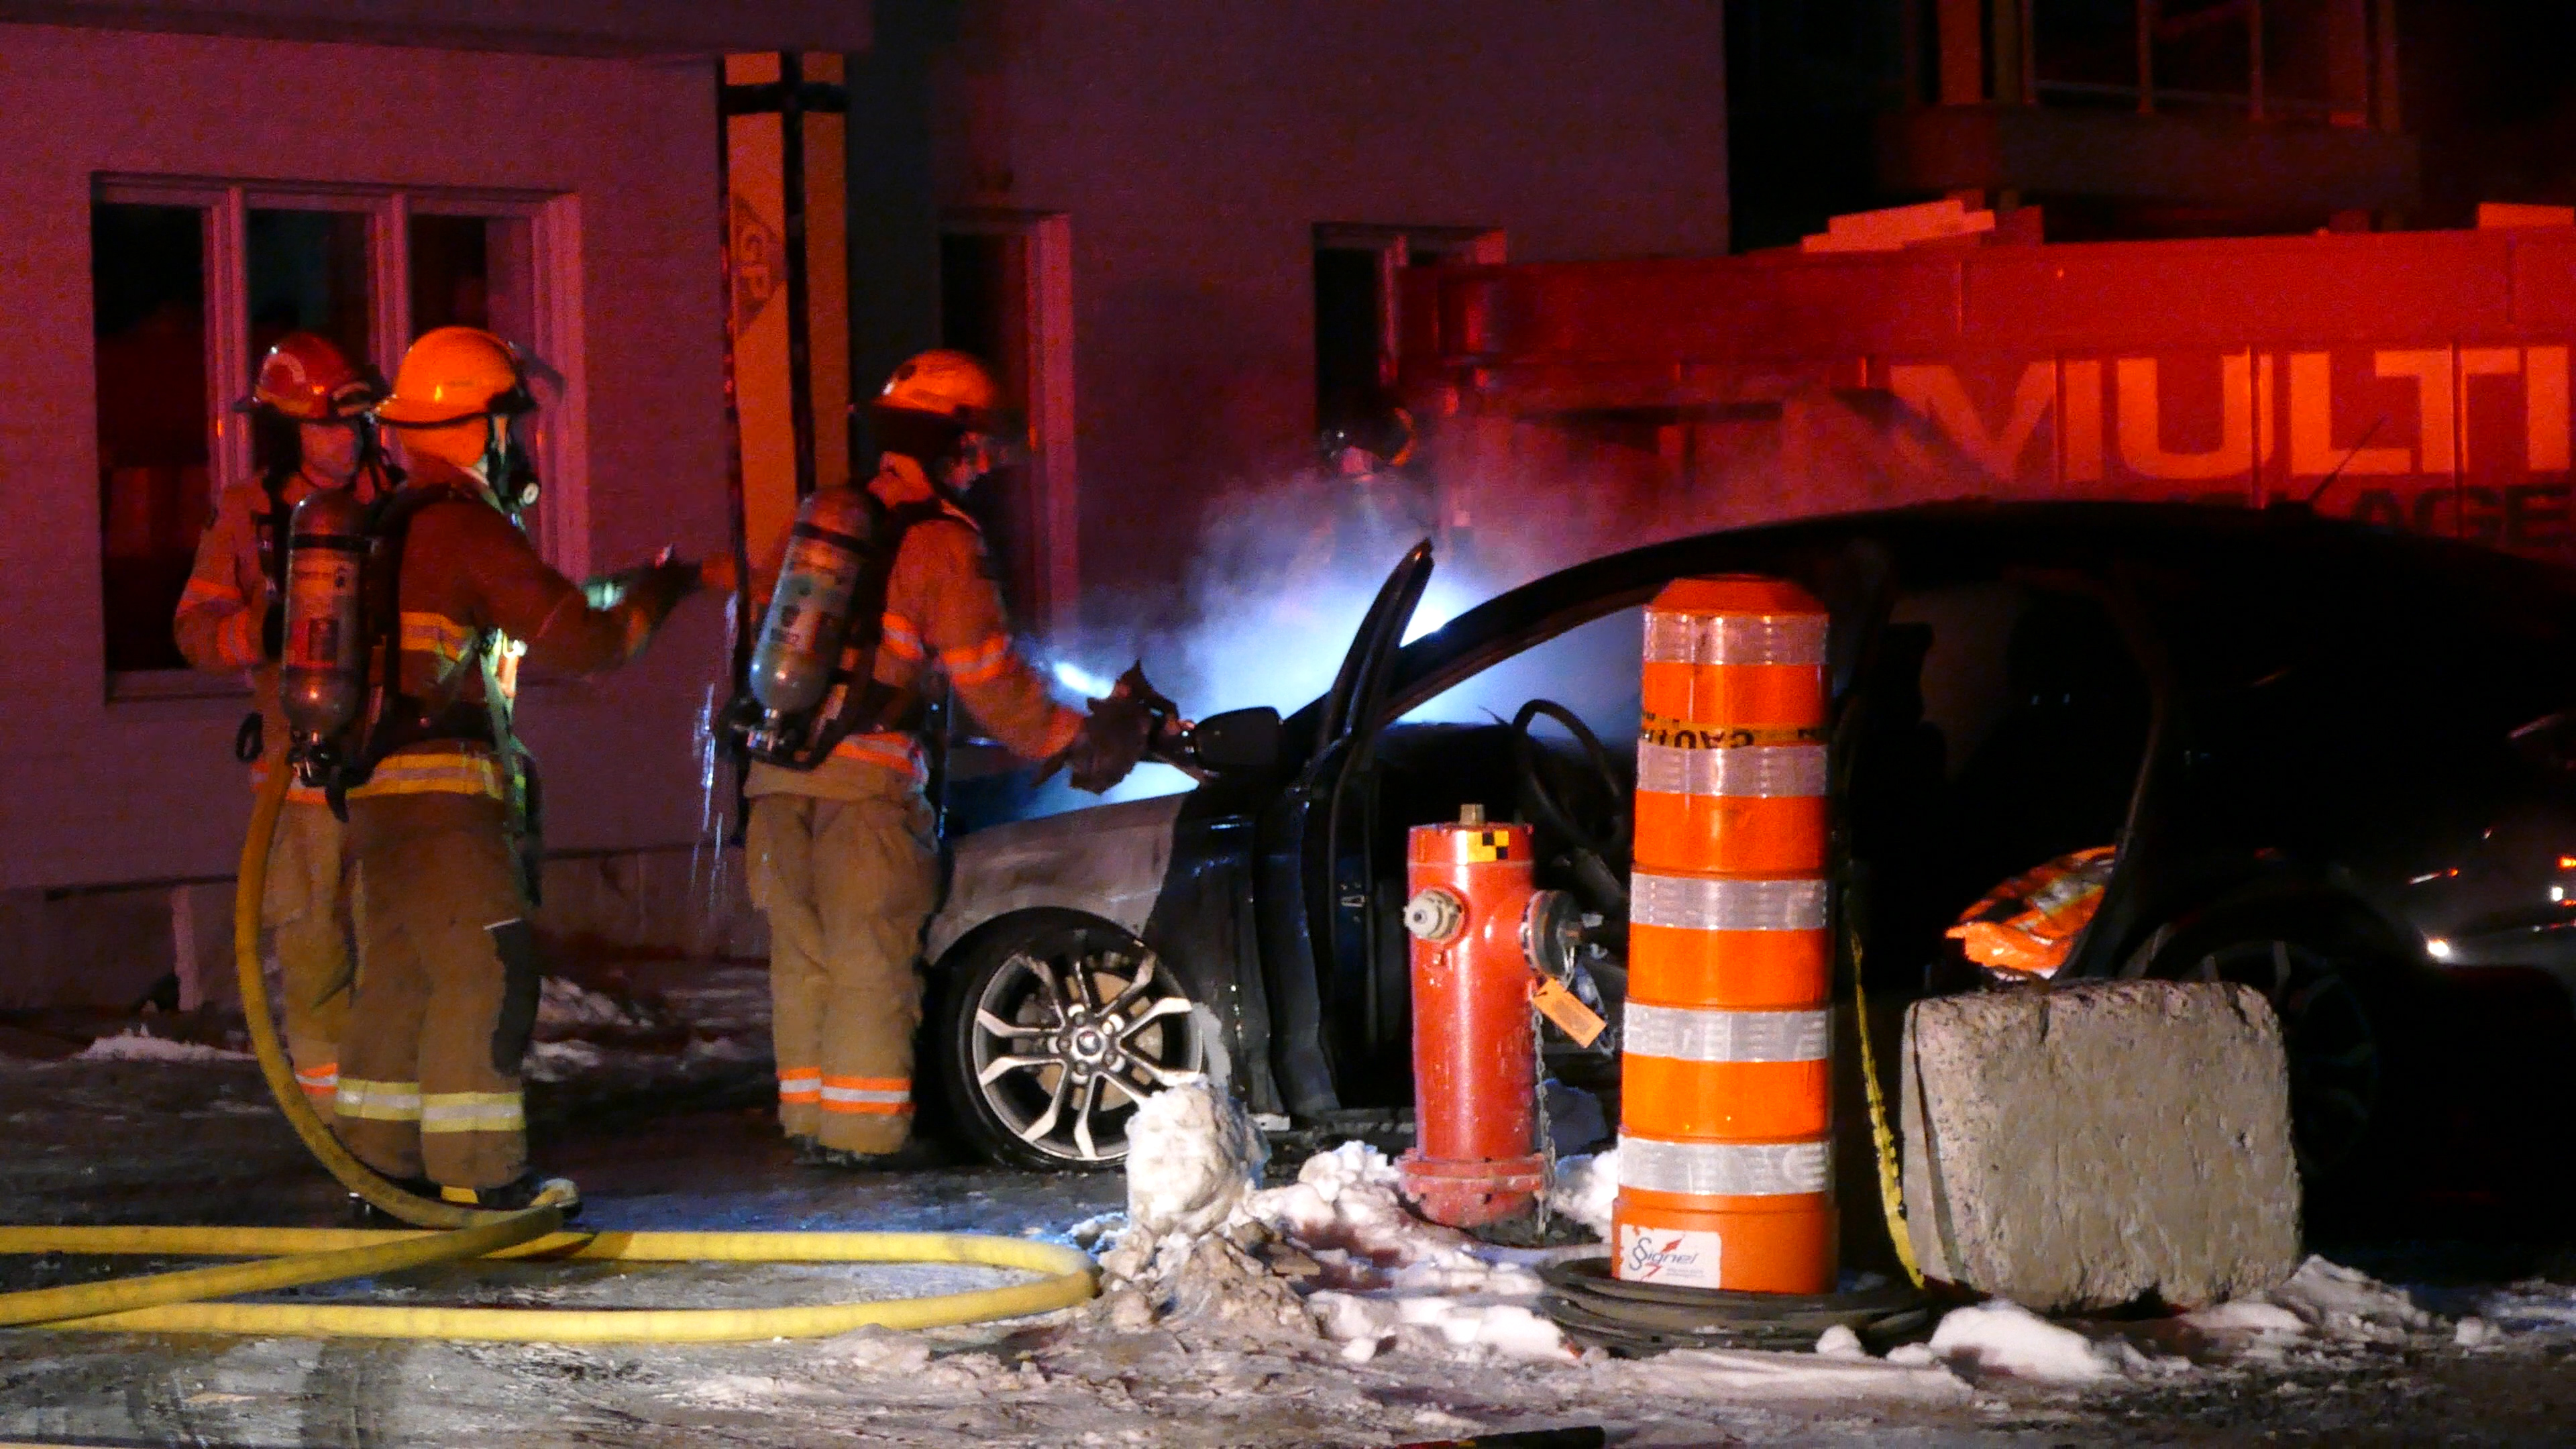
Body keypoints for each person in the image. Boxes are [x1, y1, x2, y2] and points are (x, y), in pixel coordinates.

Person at [338, 325, 723, 1210]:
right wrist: (659, 597)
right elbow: (585, 641)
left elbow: (533, 606)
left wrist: (662, 577)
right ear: (479, 427)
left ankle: (377, 1169)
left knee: (401, 977)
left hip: (379, 795)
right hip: (444, 796)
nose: (526, 443)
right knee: (489, 973)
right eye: (516, 423)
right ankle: (480, 1182)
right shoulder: (465, 529)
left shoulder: (387, 524)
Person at [743, 349, 1147, 1169]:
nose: (984, 466)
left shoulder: (821, 520)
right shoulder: (942, 543)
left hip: (777, 777)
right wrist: (1073, 737)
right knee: (872, 960)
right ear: (949, 445)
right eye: (978, 449)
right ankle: (864, 1139)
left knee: (805, 957)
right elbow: (991, 681)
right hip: (867, 790)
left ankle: (813, 1128)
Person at [174, 333, 392, 1110]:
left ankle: (394, 1112)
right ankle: (334, 1121)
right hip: (297, 771)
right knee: (312, 945)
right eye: (330, 423)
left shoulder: (398, 499)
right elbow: (193, 629)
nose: (349, 438)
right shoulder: (250, 512)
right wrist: (260, 633)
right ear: (286, 430)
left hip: (392, 760)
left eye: (357, 422)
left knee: (394, 940)